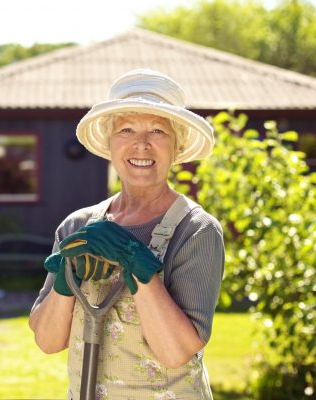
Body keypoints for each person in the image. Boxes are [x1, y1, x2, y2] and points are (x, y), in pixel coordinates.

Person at [29, 69, 225, 400]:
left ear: (176, 148)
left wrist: (138, 263)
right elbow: (47, 342)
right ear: (110, 143)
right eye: (127, 129)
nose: (142, 144)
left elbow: (177, 352)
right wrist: (64, 282)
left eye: (158, 131)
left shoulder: (196, 231)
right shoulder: (76, 227)